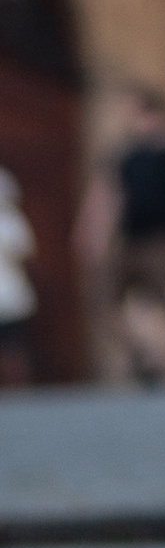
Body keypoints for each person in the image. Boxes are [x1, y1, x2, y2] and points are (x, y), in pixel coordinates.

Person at [100, 93, 165, 386]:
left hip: (161, 237)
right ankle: (147, 355)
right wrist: (99, 232)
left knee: (157, 301)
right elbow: (113, 195)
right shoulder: (128, 155)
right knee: (122, 306)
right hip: (130, 237)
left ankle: (162, 361)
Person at [0, 163, 34, 387]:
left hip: (10, 295)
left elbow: (26, 252)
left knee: (14, 346)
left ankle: (18, 388)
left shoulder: (12, 222)